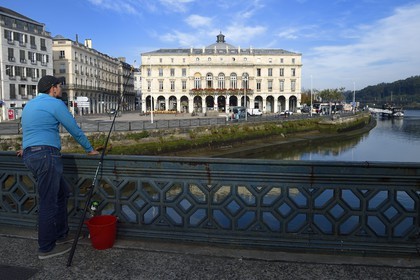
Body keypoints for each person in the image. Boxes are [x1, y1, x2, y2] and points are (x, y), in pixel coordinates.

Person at [17, 75, 99, 260]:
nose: (61, 89)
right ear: (53, 89)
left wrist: (26, 148)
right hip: (47, 156)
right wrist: (89, 149)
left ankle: (62, 234)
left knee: (62, 193)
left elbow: (29, 129)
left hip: (31, 155)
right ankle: (46, 247)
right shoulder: (56, 104)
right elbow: (74, 129)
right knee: (48, 202)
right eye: (59, 86)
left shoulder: (29, 105)